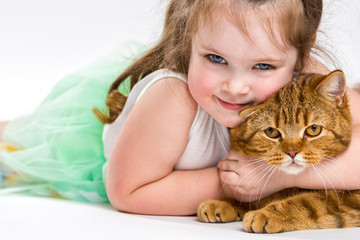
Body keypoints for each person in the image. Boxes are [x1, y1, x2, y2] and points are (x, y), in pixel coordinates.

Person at [0, 0, 359, 216]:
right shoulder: (174, 99)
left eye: (263, 66)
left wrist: (277, 176)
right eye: (216, 58)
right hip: (125, 158)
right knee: (21, 144)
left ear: (300, 53)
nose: (235, 86)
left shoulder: (307, 81)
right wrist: (235, 183)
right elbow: (127, 192)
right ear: (190, 39)